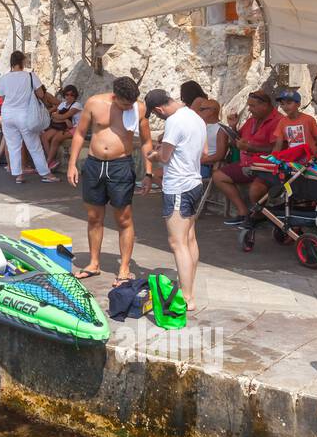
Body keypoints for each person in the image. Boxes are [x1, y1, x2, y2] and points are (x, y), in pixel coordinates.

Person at [67, 76, 153, 281]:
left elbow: (146, 141)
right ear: (115, 96)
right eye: (124, 104)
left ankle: (124, 268)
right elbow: (79, 133)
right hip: (95, 164)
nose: (128, 108)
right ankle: (94, 262)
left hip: (120, 165)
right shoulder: (95, 103)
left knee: (124, 218)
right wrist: (72, 164)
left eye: (131, 104)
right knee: (93, 217)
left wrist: (148, 173)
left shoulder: (138, 109)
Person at [144, 89, 208, 310]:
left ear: (159, 109)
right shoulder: (195, 117)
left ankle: (187, 297)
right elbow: (204, 151)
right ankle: (187, 288)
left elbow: (164, 157)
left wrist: (153, 155)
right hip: (195, 182)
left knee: (177, 242)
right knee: (189, 239)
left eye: (155, 114)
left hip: (178, 186)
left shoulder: (174, 121)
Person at [212, 90, 283, 225]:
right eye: (249, 106)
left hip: (265, 167)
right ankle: (243, 212)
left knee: (255, 190)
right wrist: (233, 127)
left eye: (253, 106)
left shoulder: (278, 121)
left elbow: (277, 148)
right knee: (218, 176)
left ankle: (256, 216)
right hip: (247, 164)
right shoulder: (252, 120)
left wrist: (251, 149)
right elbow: (239, 140)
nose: (249, 110)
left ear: (265, 105)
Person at [0, 50, 59, 184]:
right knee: (34, 146)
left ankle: (18, 175)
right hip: (24, 114)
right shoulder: (30, 76)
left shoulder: (3, 78)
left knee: (13, 146)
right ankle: (46, 173)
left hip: (7, 114)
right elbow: (41, 94)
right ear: (22, 62)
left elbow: (2, 96)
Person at [41, 85, 82, 170]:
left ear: (75, 96)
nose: (69, 97)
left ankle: (47, 163)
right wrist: (64, 120)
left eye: (72, 95)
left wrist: (61, 117)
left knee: (56, 139)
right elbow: (54, 117)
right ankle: (51, 161)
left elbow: (62, 116)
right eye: (67, 94)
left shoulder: (77, 105)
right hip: (63, 126)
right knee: (44, 137)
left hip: (76, 128)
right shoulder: (63, 104)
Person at [272, 90, 317, 160]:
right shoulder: (282, 122)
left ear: (298, 104)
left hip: (310, 159)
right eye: (282, 104)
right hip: (293, 159)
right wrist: (272, 158)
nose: (285, 106)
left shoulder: (309, 120)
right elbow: (278, 145)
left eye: (289, 103)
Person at [195, 98, 229, 179]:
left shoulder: (220, 129)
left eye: (201, 109)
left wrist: (197, 161)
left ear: (212, 111)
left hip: (206, 165)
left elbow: (219, 155)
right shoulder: (202, 126)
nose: (198, 112)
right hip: (197, 163)